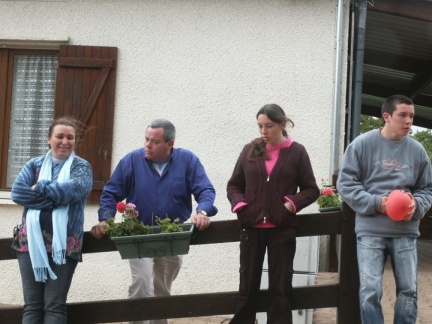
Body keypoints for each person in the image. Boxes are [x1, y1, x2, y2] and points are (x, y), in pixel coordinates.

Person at [91, 118, 218, 324]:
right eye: (146, 139)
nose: (147, 145)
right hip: (139, 234)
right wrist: (106, 219)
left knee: (162, 290)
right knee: (141, 282)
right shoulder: (132, 161)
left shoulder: (187, 160)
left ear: (170, 144)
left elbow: (205, 189)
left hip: (173, 235)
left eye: (154, 141)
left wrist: (203, 211)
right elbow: (111, 193)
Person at [337, 94, 432, 324]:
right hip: (370, 232)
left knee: (408, 290)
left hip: (406, 233)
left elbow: (427, 189)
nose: (409, 121)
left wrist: (415, 205)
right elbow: (346, 184)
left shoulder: (418, 151)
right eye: (403, 115)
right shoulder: (361, 144)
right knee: (370, 291)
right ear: (386, 116)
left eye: (411, 116)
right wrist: (379, 203)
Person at [227, 104, 319, 324]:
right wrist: (241, 205)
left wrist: (290, 204)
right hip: (251, 231)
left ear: (282, 124)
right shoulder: (249, 150)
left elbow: (311, 189)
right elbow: (233, 186)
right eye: (260, 126)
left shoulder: (297, 152)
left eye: (269, 126)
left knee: (280, 289)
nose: (263, 131)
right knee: (248, 288)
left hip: (282, 231)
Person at [11, 116, 93, 323]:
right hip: (29, 244)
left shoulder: (81, 167)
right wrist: (57, 200)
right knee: (32, 306)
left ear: (75, 141)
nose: (65, 141)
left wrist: (39, 187)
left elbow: (73, 190)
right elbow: (18, 194)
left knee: (54, 306)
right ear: (49, 139)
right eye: (59, 136)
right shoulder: (34, 164)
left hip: (65, 246)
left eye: (70, 137)